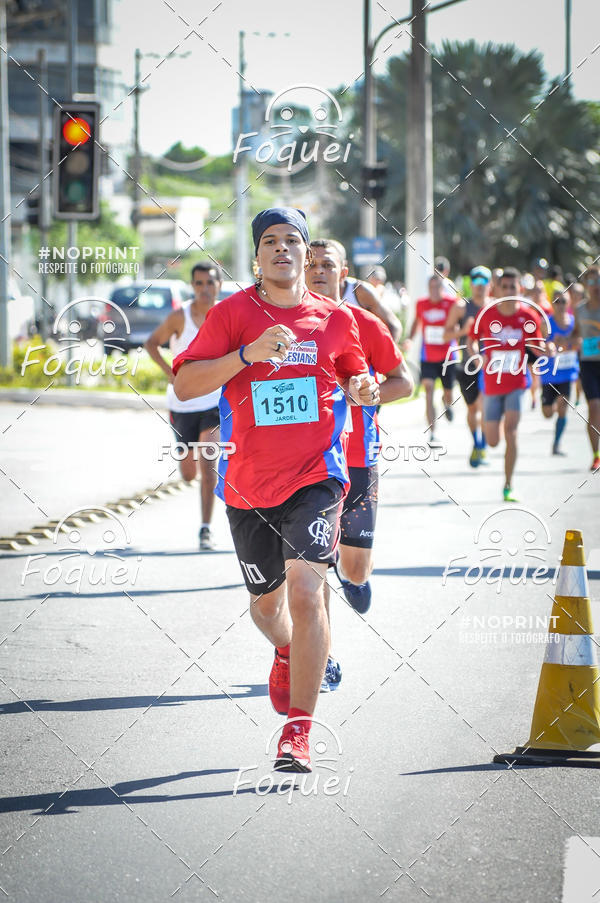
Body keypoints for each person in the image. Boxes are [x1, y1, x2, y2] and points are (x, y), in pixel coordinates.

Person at [173, 208, 378, 773]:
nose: (282, 249)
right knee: (267, 608)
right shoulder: (232, 313)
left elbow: (359, 378)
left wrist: (362, 387)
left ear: (308, 254)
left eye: (293, 241)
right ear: (256, 256)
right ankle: (285, 651)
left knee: (307, 594)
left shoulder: (336, 318)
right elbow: (185, 381)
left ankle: (299, 733)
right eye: (270, 241)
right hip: (246, 485)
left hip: (317, 477)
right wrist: (246, 355)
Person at [306, 238, 413, 634]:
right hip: (307, 462)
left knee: (352, 568)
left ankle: (355, 576)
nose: (318, 271)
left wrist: (367, 395)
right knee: (311, 570)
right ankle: (322, 655)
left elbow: (405, 383)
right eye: (311, 264)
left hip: (357, 457)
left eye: (327, 265)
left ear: (343, 273)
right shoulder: (286, 327)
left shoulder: (364, 324)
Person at [144, 262, 222, 550]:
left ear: (219, 285)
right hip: (183, 402)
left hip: (214, 402)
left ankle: (205, 529)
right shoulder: (180, 317)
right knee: (189, 473)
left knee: (209, 465)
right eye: (199, 283)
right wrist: (170, 372)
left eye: (210, 283)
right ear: (193, 286)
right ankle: (194, 469)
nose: (205, 289)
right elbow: (152, 343)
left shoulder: (225, 315)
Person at [469, 267, 547, 502]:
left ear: (519, 289)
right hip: (492, 385)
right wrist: (477, 356)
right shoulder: (487, 314)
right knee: (493, 441)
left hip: (516, 383)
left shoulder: (527, 316)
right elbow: (472, 341)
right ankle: (493, 428)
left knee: (511, 432)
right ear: (498, 289)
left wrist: (547, 349)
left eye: (513, 287)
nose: (509, 291)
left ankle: (508, 485)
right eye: (505, 287)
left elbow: (537, 346)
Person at [404, 273, 462, 445]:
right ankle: (432, 432)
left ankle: (447, 403)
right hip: (428, 356)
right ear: (428, 288)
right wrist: (410, 338)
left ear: (442, 288)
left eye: (438, 287)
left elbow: (457, 324)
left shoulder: (451, 304)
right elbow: (417, 322)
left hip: (447, 356)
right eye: (431, 287)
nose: (434, 291)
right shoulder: (421, 304)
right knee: (428, 390)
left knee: (448, 392)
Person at [443, 265, 491, 467]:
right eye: (476, 282)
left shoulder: (496, 307)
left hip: (491, 367)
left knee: (484, 406)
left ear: (490, 284)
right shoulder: (461, 307)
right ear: (470, 284)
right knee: (473, 409)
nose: (479, 286)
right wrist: (463, 330)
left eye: (484, 282)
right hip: (466, 367)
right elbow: (445, 335)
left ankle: (482, 445)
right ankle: (477, 442)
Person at [540, 289, 579, 455]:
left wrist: (568, 343)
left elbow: (579, 342)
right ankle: (552, 405)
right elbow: (539, 345)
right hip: (549, 374)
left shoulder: (573, 323)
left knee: (563, 407)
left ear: (568, 302)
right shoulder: (545, 324)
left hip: (567, 372)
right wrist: (548, 346)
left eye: (563, 301)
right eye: (557, 301)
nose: (561, 305)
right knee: (548, 413)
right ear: (552, 303)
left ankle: (556, 443)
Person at [336, 245, 402, 342]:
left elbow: (394, 325)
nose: (320, 271)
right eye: (375, 278)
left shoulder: (361, 290)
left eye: (328, 265)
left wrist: (387, 353)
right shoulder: (311, 290)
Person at [572, 265, 600, 471]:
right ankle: (596, 455)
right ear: (585, 285)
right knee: (594, 408)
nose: (595, 285)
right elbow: (575, 334)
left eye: (598, 281)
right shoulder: (580, 309)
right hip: (588, 363)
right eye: (591, 281)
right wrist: (574, 340)